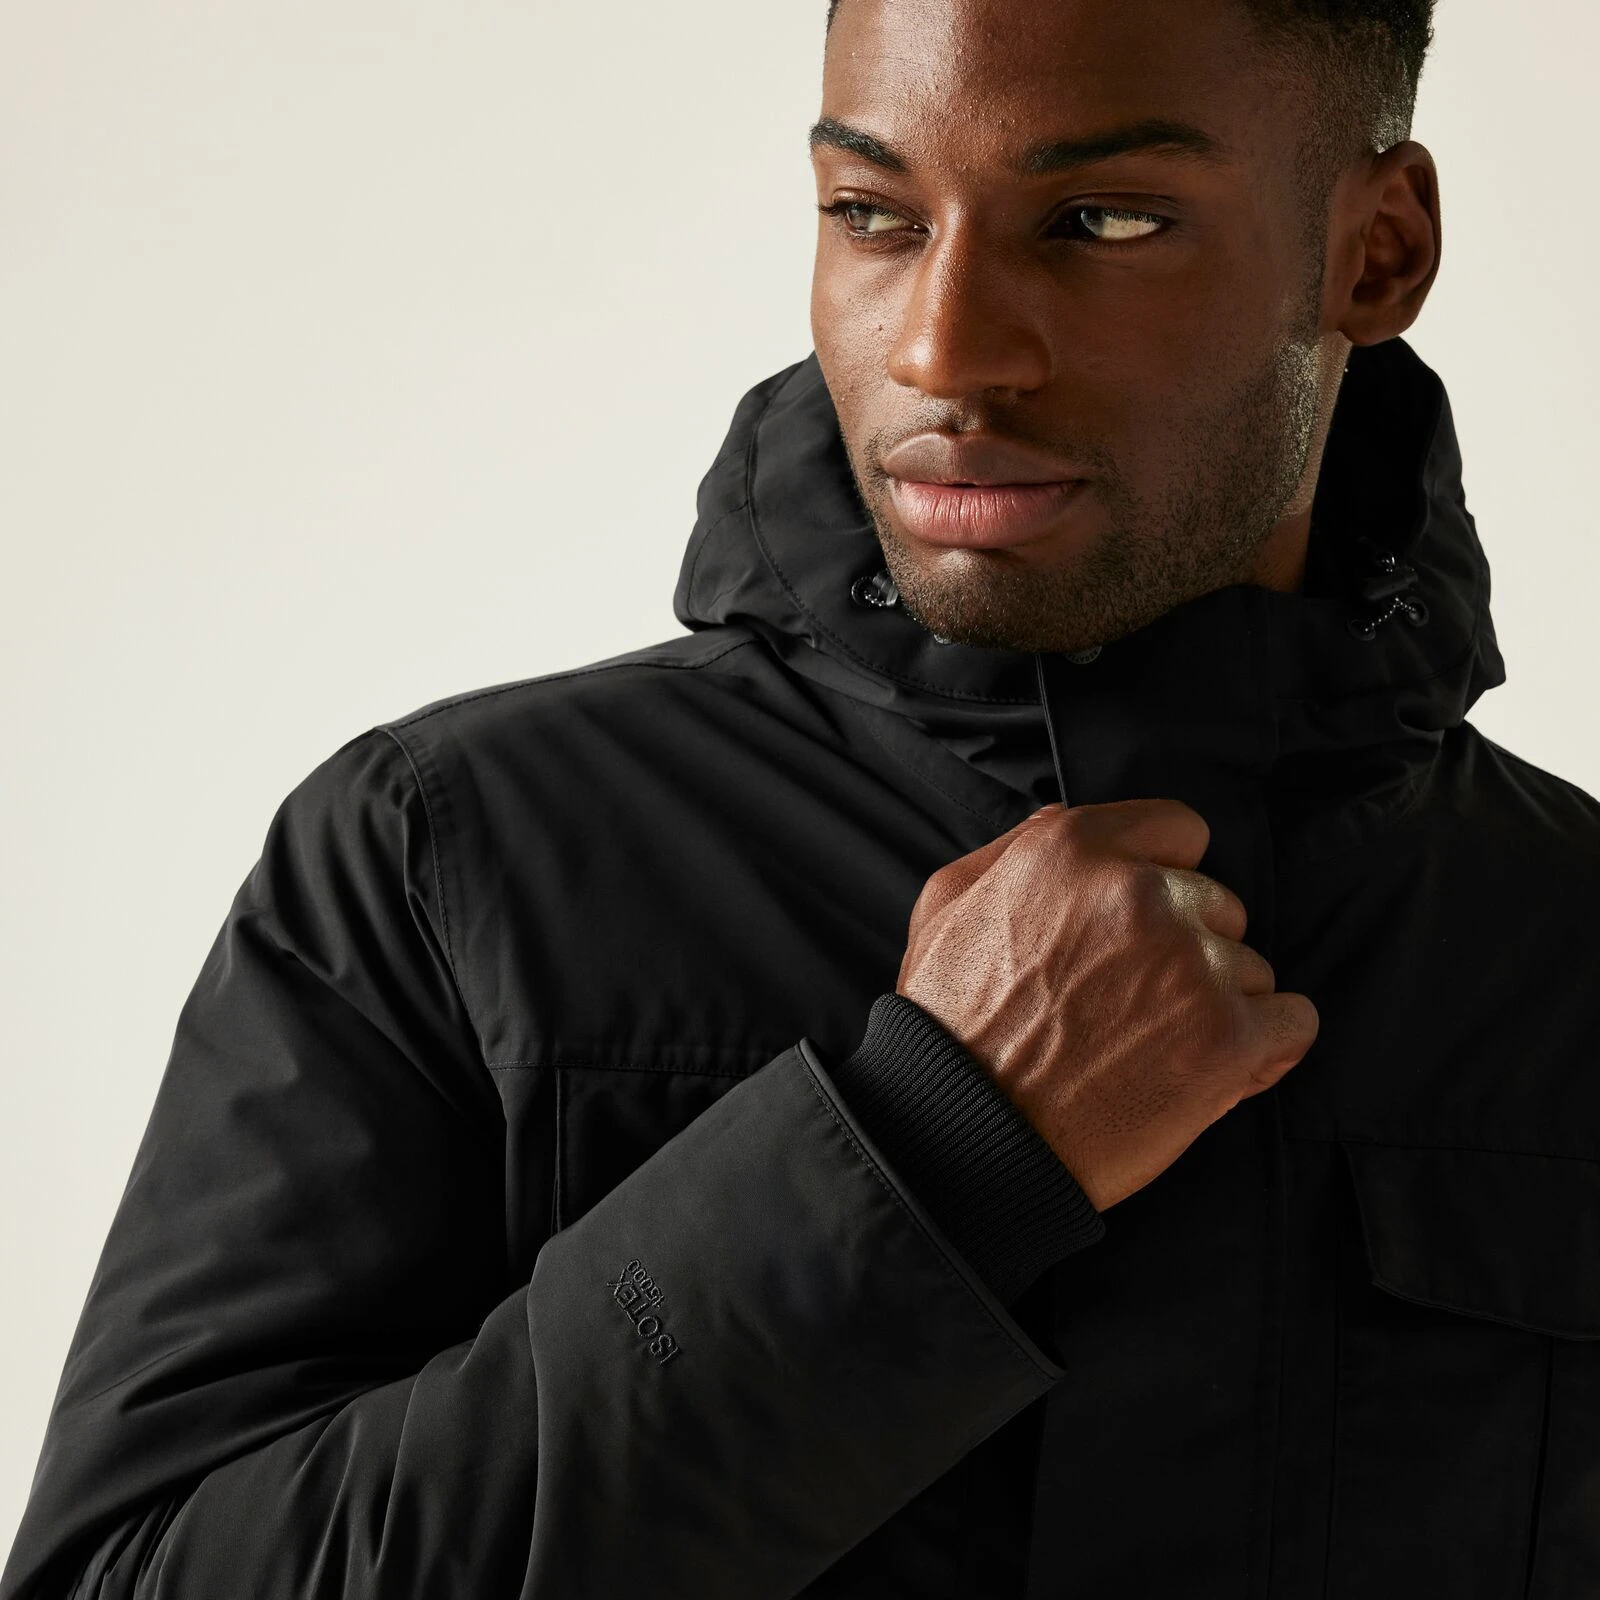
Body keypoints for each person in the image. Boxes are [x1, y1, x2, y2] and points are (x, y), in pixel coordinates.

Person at [4, 0, 1597, 1594]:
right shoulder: (448, 862)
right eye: (875, 217)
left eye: (1101, 222)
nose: (942, 352)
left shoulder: (1567, 946)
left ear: (1376, 253)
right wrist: (931, 1160)